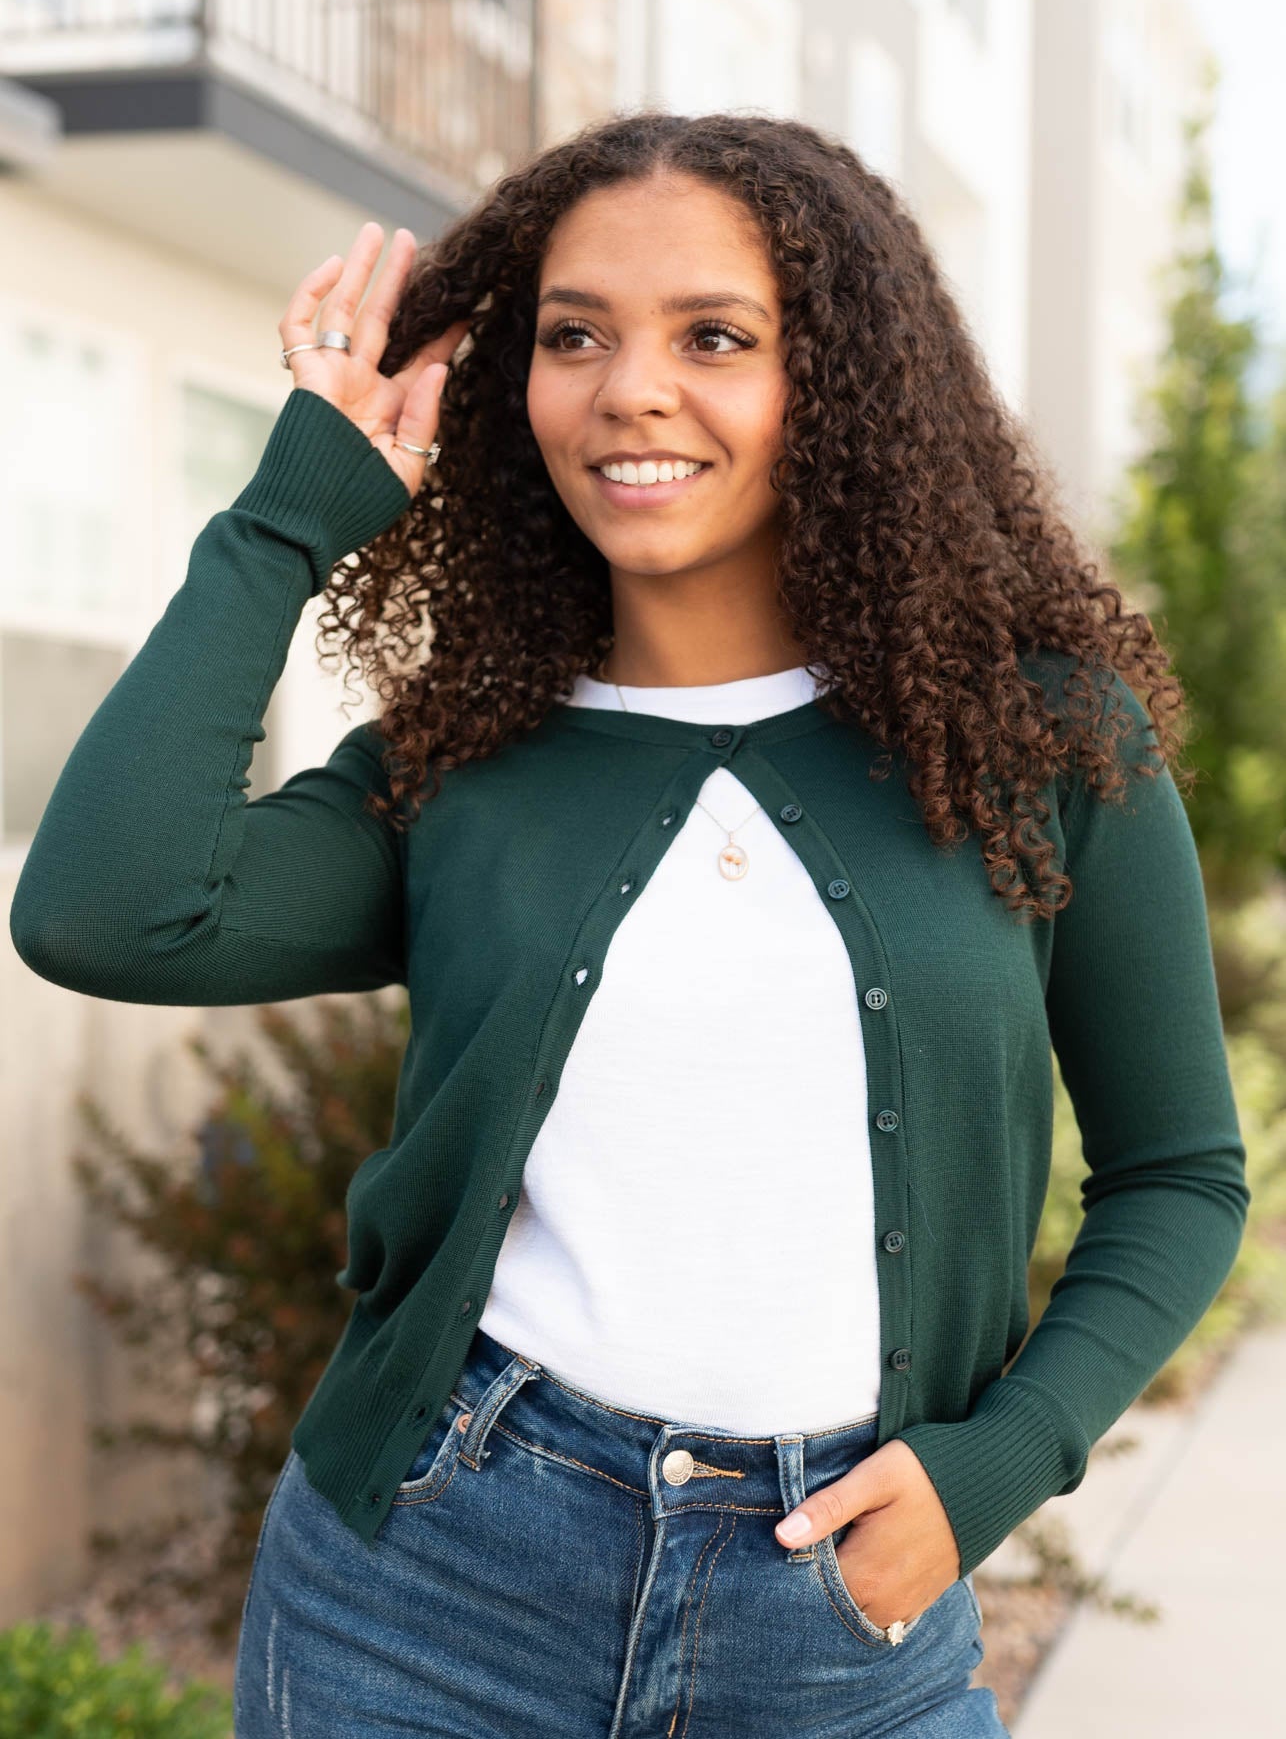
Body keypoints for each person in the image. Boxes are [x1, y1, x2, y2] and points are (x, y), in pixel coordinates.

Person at [9, 111, 1248, 1738]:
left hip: (843, 1617)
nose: (628, 390)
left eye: (714, 337)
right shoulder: (464, 764)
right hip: (428, 1591)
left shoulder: (1036, 742)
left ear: (841, 387)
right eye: (572, 335)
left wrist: (994, 1469)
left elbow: (1178, 1176)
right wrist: (289, 519)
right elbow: (111, 911)